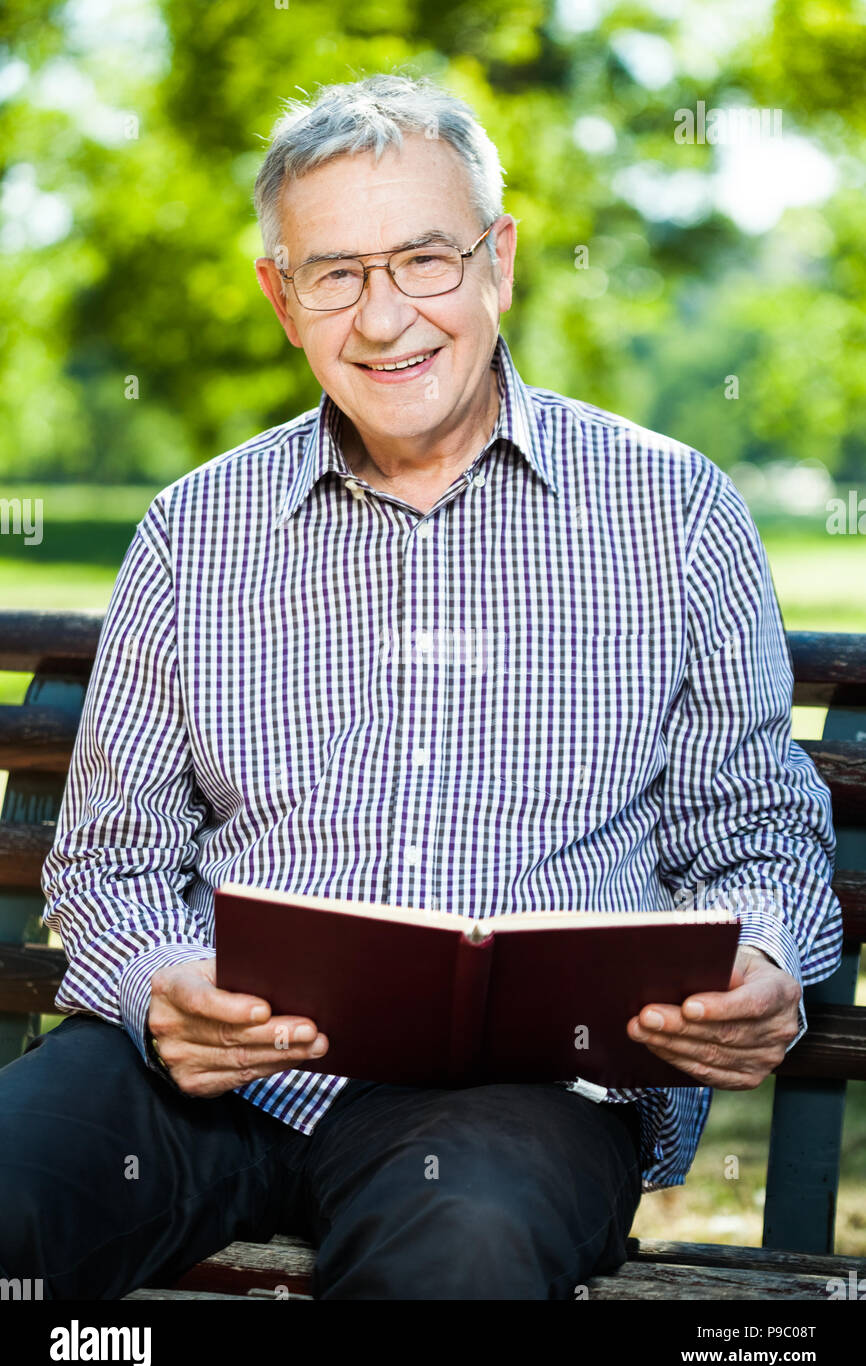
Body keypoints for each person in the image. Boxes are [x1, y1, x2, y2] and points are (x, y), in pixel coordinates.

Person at [0, 73, 842, 1301]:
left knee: (461, 1256)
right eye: (334, 273)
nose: (384, 318)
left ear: (496, 261)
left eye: (423, 261)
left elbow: (756, 831)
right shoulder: (197, 529)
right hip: (221, 1078)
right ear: (282, 301)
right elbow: (111, 860)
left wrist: (762, 959)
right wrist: (155, 987)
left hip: (518, 1099)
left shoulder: (672, 513)